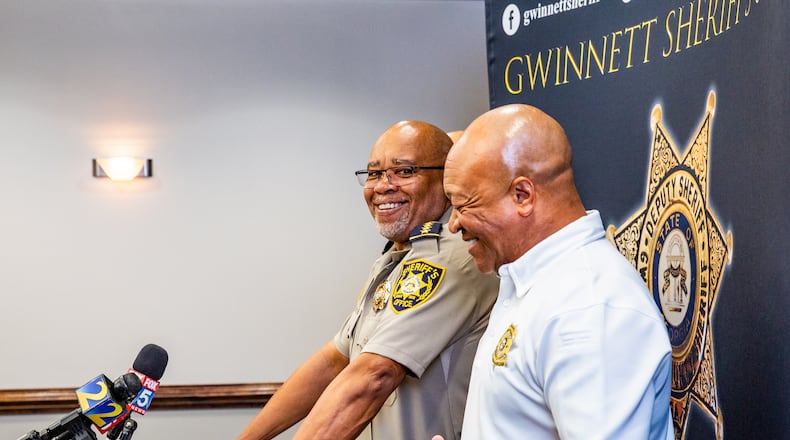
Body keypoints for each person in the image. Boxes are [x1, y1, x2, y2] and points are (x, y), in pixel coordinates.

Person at [237, 121, 499, 440]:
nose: (382, 186)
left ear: (444, 178)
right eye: (374, 173)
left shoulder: (452, 257)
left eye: (404, 171)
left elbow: (373, 375)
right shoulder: (397, 257)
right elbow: (335, 359)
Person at [441, 104, 674, 439]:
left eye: (464, 205)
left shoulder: (588, 306)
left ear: (522, 195)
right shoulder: (535, 283)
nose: (453, 224)